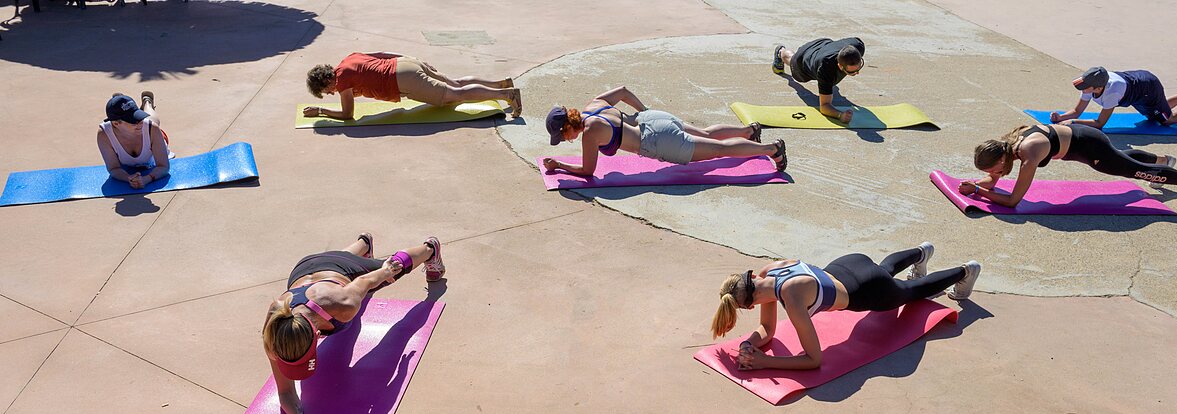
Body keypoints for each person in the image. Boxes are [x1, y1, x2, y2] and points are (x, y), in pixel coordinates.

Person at [262, 233, 445, 414]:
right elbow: (285, 392)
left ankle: (430, 249)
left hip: (337, 275)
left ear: (317, 334)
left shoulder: (343, 305)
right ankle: (363, 243)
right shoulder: (275, 331)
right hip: (305, 268)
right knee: (338, 261)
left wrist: (385, 270)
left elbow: (366, 281)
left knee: (393, 269)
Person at [711, 245, 980, 371]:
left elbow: (813, 360)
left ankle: (966, 271)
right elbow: (767, 329)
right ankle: (921, 252)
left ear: (750, 304)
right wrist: (751, 342)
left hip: (866, 290)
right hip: (848, 263)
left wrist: (765, 362)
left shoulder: (791, 299)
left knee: (911, 292)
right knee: (883, 269)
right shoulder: (769, 271)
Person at [542, 86, 787, 177]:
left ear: (566, 127)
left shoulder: (590, 133)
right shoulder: (592, 106)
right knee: (707, 133)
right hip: (652, 118)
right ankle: (748, 131)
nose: (564, 141)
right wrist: (647, 112)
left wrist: (560, 166)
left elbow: (588, 171)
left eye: (561, 137)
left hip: (657, 141)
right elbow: (624, 91)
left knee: (717, 151)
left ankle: (772, 149)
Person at [965, 122, 1177, 210]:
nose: (993, 176)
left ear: (1000, 161)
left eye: (992, 171)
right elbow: (991, 184)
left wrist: (978, 192)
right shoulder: (1007, 147)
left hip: (1089, 147)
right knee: (1123, 158)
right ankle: (1163, 161)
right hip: (1081, 139)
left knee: (1130, 170)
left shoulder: (1028, 153)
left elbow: (1012, 201)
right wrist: (976, 185)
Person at [303, 52, 521, 120]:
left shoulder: (342, 82)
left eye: (326, 90)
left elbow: (348, 114)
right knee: (455, 82)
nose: (331, 92)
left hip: (403, 80)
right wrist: (415, 60)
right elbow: (381, 54)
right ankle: (501, 83)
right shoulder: (348, 59)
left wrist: (321, 111)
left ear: (326, 81)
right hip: (404, 64)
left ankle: (507, 94)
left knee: (455, 94)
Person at [1051, 66, 1177, 128]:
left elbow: (1099, 124)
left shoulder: (1111, 92)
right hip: (1140, 87)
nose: (1082, 89)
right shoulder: (1091, 87)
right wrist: (1062, 117)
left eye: (1084, 86)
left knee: (1167, 120)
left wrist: (1074, 123)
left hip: (1148, 89)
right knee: (1158, 110)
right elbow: (1077, 111)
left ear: (1098, 87)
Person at [771, 37, 865, 124]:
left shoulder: (858, 45)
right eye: (852, 71)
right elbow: (824, 106)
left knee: (830, 81)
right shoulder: (826, 68)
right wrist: (840, 115)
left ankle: (831, 80)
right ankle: (781, 51)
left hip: (823, 44)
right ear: (839, 66)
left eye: (859, 67)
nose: (858, 73)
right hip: (802, 60)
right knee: (791, 59)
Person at [96, 92, 170, 190]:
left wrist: (147, 179)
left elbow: (163, 166)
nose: (140, 123)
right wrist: (129, 178)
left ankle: (147, 103)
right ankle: (119, 100)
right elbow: (113, 168)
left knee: (153, 120)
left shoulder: (151, 128)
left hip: (155, 135)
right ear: (116, 123)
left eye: (139, 116)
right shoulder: (104, 134)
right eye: (133, 120)